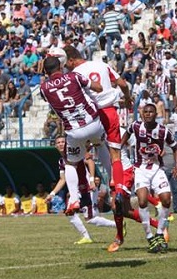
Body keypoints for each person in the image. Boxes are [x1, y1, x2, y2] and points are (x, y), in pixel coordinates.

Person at [64, 45, 134, 250]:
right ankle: (119, 187)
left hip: (91, 116)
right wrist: (128, 98)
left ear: (70, 61)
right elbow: (123, 84)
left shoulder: (75, 74)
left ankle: (77, 196)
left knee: (79, 154)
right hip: (110, 111)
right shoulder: (101, 65)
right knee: (115, 155)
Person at [39, 56, 104, 216]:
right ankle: (114, 181)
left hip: (74, 131)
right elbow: (98, 88)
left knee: (70, 164)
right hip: (93, 122)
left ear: (45, 72)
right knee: (105, 147)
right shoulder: (74, 76)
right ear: (61, 66)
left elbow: (50, 90)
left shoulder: (44, 88)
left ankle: (74, 198)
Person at [122, 103, 177, 253]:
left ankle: (160, 234)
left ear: (156, 114)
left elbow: (175, 148)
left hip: (157, 169)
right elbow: (127, 133)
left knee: (167, 199)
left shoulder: (163, 131)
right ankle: (149, 236)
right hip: (140, 169)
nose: (148, 114)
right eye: (145, 112)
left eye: (151, 112)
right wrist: (119, 146)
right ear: (142, 114)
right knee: (142, 201)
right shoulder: (136, 126)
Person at [47, 139, 116, 244]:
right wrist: (52, 194)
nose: (61, 144)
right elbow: (62, 179)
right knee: (70, 213)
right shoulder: (61, 161)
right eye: (58, 142)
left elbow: (90, 161)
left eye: (63, 142)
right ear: (55, 146)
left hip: (87, 189)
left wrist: (92, 180)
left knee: (90, 219)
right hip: (77, 191)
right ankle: (86, 237)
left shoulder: (76, 153)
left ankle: (117, 225)